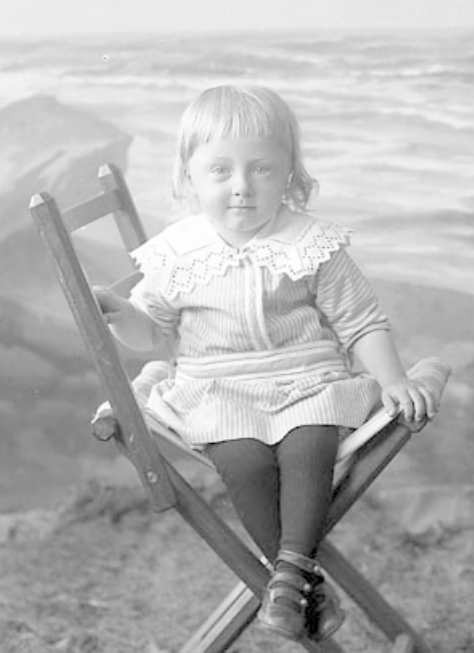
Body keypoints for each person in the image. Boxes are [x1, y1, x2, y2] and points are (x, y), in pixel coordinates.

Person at [94, 84, 446, 642]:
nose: (241, 187)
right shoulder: (177, 252)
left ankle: (285, 579)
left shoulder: (311, 243)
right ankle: (301, 577)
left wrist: (394, 379)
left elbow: (361, 321)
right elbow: (152, 329)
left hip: (306, 380)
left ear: (289, 172)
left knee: (310, 444)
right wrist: (119, 313)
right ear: (188, 177)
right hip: (217, 389)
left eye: (261, 168)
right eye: (220, 172)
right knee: (245, 462)